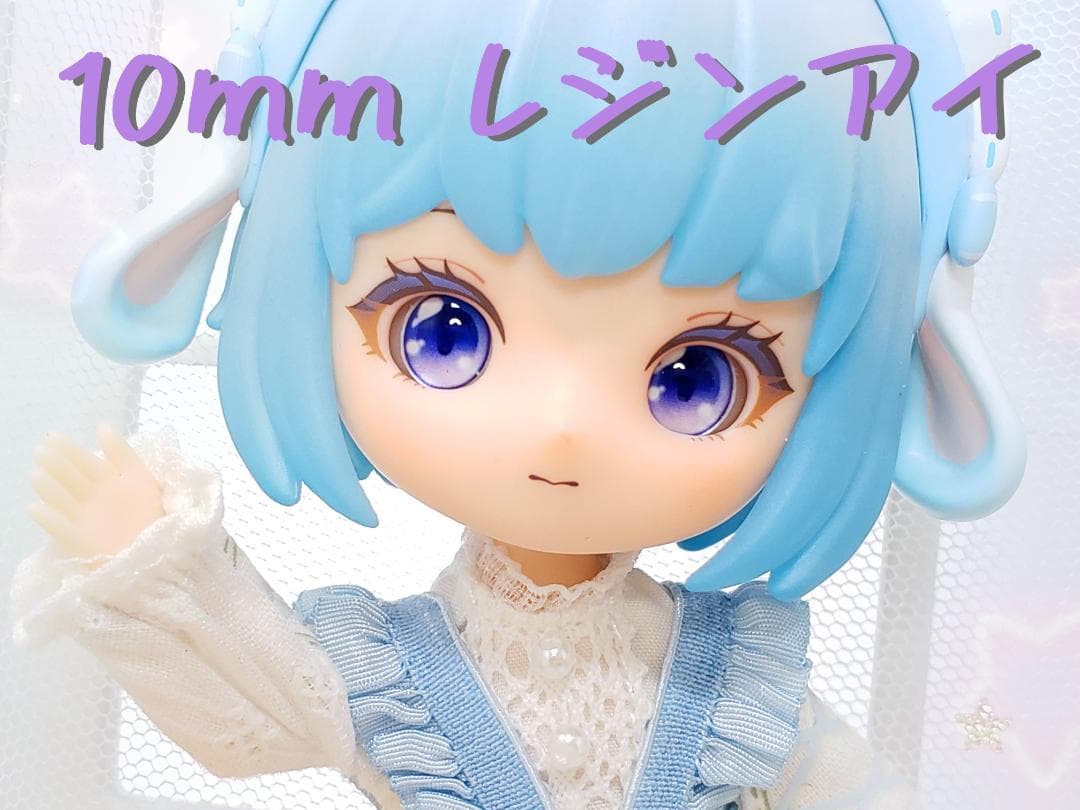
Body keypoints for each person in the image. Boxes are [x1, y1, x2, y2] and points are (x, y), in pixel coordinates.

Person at [11, 1, 1025, 807]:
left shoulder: (733, 683)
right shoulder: (389, 675)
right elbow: (254, 717)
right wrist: (153, 564)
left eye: (698, 377)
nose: (562, 427)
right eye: (443, 330)